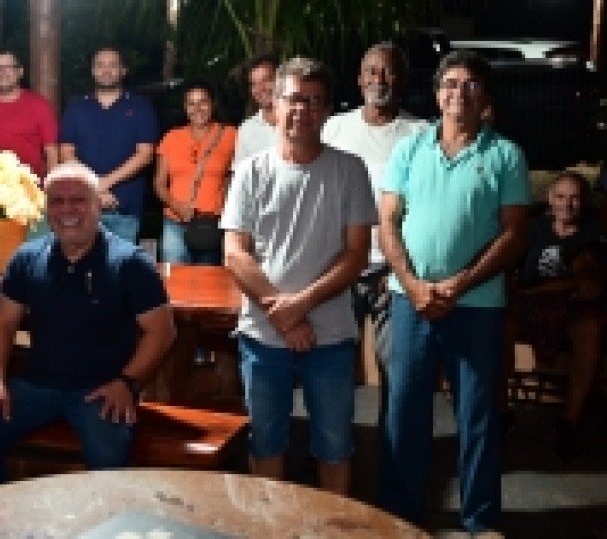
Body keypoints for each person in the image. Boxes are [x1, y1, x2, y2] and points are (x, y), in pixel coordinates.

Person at [377, 50, 530, 533]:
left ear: (485, 98)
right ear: (437, 94)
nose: (458, 93)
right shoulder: (410, 149)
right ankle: (400, 515)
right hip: (411, 303)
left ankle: (480, 521)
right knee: (405, 411)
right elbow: (388, 221)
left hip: (478, 306)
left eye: (470, 84)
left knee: (478, 416)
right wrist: (413, 285)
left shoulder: (506, 155)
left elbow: (514, 234)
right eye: (449, 84)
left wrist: (459, 283)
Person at [0, 162, 176, 489]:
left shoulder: (131, 263)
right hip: (36, 385)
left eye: (78, 200)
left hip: (101, 389)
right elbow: (2, 324)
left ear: (98, 204)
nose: (67, 210)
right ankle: (4, 513)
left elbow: (162, 331)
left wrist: (128, 383)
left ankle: (104, 519)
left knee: (108, 455)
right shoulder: (27, 258)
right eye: (57, 201)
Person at [221, 57, 375, 496]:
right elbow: (234, 253)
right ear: (275, 103)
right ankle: (272, 526)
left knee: (334, 447)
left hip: (330, 336)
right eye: (293, 99)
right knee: (266, 444)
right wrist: (284, 316)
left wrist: (299, 307)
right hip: (263, 336)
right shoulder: (250, 172)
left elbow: (356, 254)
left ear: (326, 110)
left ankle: (331, 526)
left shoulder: (349, 170)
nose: (302, 110)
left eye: (314, 101)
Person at [320, 43, 428, 388]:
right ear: (359, 79)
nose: (379, 79)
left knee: (395, 367)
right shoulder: (334, 128)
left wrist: (399, 267)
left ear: (403, 79)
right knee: (336, 364)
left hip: (391, 271)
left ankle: (390, 427)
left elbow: (424, 208)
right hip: (340, 265)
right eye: (371, 71)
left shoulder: (421, 134)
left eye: (389, 71)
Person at [506, 171, 603, 463]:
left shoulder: (593, 233)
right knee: (497, 327)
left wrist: (540, 289)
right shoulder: (533, 227)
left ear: (585, 201)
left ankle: (569, 423)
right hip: (527, 302)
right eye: (561, 197)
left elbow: (586, 282)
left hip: (570, 306)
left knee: (590, 330)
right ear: (550, 199)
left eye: (575, 198)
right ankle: (499, 414)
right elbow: (511, 266)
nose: (567, 205)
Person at [60, 46, 158, 243]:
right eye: (100, 65)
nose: (106, 70)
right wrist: (94, 187)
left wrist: (102, 184)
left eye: (112, 65)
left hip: (124, 209)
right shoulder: (76, 107)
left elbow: (145, 154)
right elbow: (66, 153)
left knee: (120, 262)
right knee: (81, 261)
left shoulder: (141, 107)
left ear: (123, 70)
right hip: (83, 207)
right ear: (93, 71)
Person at [154, 81, 236, 265]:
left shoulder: (229, 135)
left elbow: (237, 176)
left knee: (207, 279)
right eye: (191, 103)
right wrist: (177, 206)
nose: (197, 109)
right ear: (185, 107)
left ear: (212, 104)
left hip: (211, 225)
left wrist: (225, 205)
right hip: (175, 223)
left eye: (203, 102)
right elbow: (159, 183)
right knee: (175, 278)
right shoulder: (172, 137)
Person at [0, 49, 58, 178]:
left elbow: (51, 152)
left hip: (27, 186)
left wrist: (52, 185)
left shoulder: (39, 105)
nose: (2, 72)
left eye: (8, 67)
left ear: (20, 72)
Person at [233, 54, 280, 167]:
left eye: (266, 80)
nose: (260, 88)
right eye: (254, 84)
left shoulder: (303, 121)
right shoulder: (247, 129)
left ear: (281, 80)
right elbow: (240, 172)